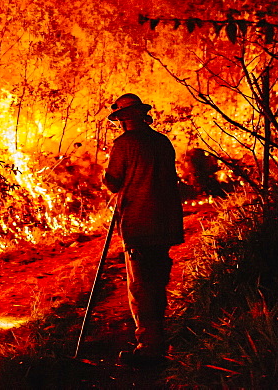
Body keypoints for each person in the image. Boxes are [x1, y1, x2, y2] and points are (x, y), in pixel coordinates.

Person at [103, 93, 184, 363]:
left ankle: (148, 346)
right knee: (158, 281)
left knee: (141, 286)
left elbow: (113, 180)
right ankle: (158, 337)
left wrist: (107, 180)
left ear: (124, 118)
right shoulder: (162, 142)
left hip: (138, 222)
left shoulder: (123, 145)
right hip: (165, 222)